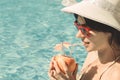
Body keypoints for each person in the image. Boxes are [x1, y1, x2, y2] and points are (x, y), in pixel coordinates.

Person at [48, 0, 120, 80]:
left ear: (109, 31)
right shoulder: (94, 54)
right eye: (77, 26)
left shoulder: (115, 75)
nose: (78, 35)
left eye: (84, 29)